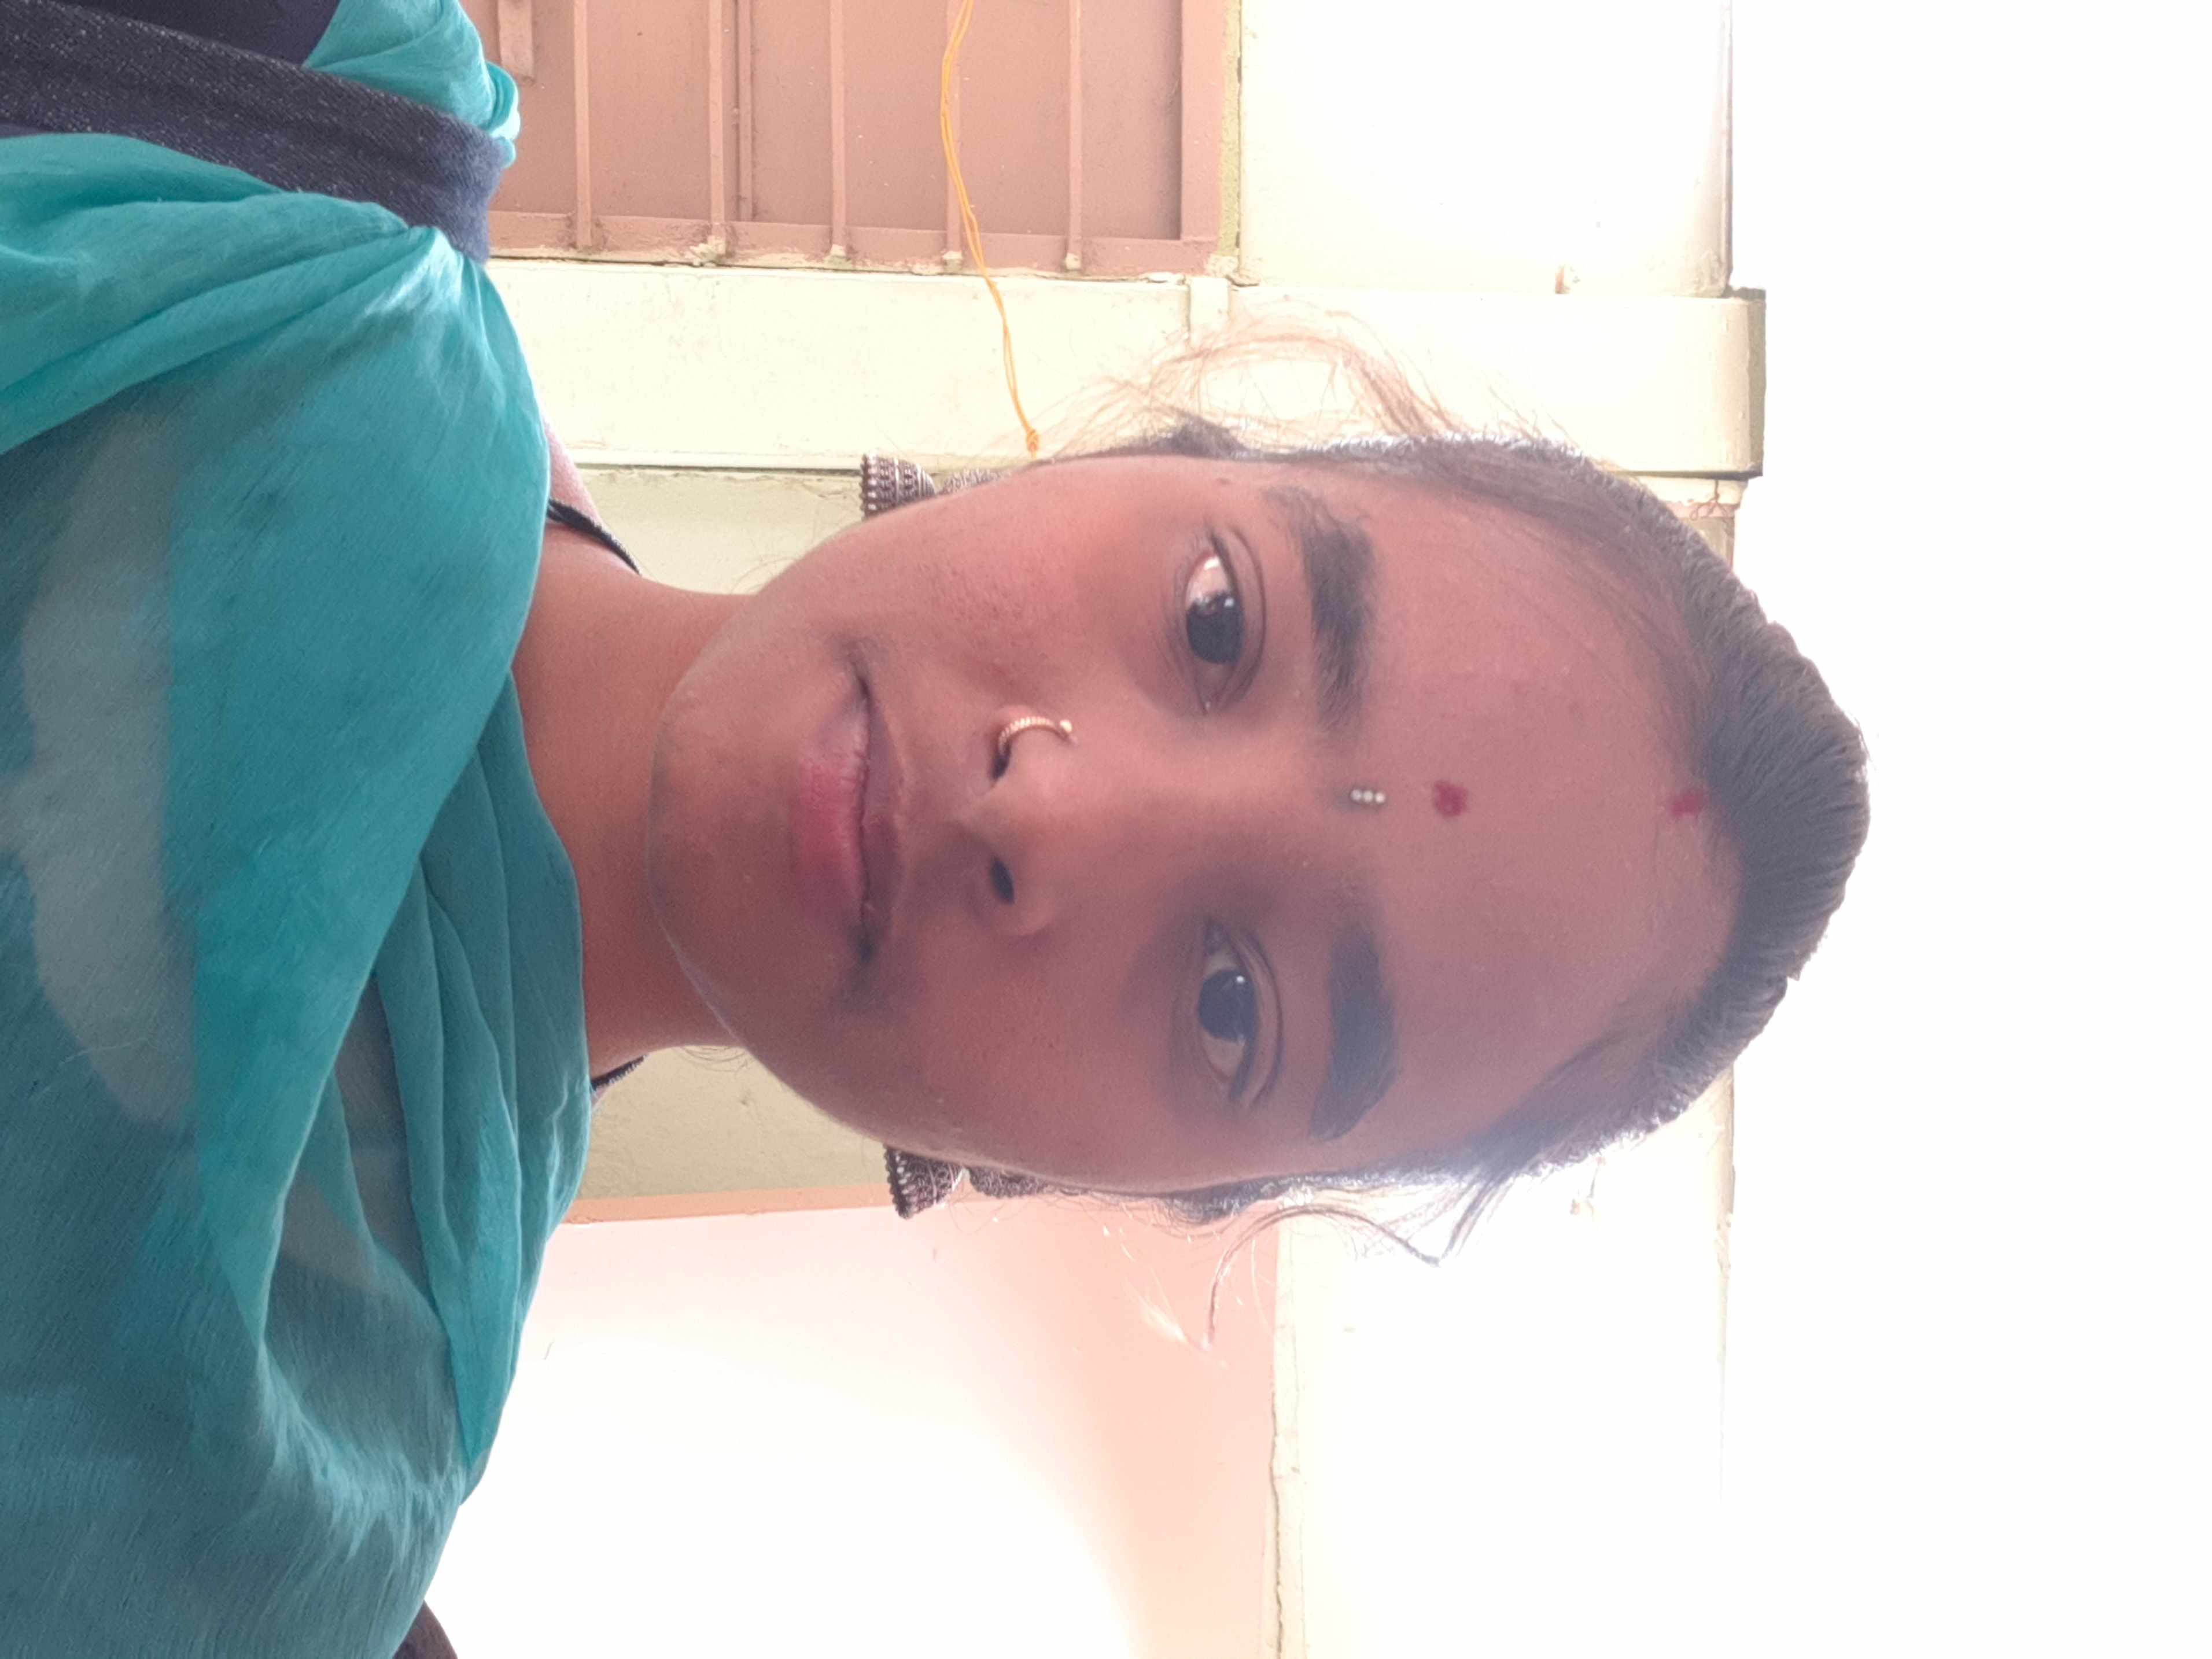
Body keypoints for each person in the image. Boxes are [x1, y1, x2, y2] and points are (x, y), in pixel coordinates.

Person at [0, 0, 1869, 1653]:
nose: (1049, 803)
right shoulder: (263, 105)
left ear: (1142, 1184)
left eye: (1233, 1003)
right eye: (1217, 618)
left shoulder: (265, 1540)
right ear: (1145, 458)